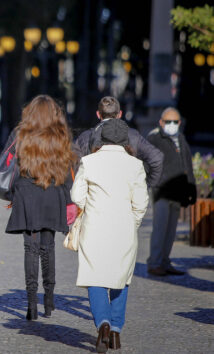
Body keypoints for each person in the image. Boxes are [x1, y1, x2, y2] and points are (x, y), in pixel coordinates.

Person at [71, 118, 149, 353]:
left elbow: (76, 196)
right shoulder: (135, 165)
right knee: (121, 278)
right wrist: (132, 222)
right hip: (124, 229)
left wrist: (91, 207)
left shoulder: (88, 161)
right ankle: (115, 331)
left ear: (101, 138)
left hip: (95, 227)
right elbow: (141, 203)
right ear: (125, 141)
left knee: (95, 278)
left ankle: (102, 323)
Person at [3, 95, 78, 320]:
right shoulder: (61, 136)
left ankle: (31, 304)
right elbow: (67, 172)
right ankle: (49, 300)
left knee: (30, 248)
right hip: (53, 194)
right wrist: (69, 201)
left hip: (27, 194)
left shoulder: (21, 134)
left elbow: (10, 166)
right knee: (48, 247)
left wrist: (13, 194)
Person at [146, 107, 196, 276]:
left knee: (171, 230)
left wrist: (191, 188)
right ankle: (154, 262)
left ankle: (165, 262)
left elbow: (187, 164)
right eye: (168, 122)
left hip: (178, 191)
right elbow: (148, 163)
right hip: (162, 191)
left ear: (180, 123)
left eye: (175, 122)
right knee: (160, 228)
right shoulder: (154, 138)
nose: (172, 125)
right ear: (161, 122)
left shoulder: (181, 138)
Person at [74, 96, 163, 188]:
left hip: (95, 196)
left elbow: (75, 167)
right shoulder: (133, 135)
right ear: (120, 114)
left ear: (98, 114)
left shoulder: (85, 137)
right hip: (126, 195)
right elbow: (157, 158)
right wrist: (146, 186)